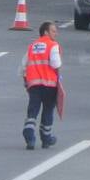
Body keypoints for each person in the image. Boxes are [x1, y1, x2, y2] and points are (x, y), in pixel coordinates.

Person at [19, 21, 62, 150]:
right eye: (53, 31)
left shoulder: (32, 46)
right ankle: (46, 138)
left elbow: (23, 66)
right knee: (48, 111)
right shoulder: (53, 45)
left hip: (34, 85)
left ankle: (29, 136)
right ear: (46, 32)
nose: (56, 33)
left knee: (33, 110)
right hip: (50, 85)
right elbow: (55, 64)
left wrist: (26, 80)